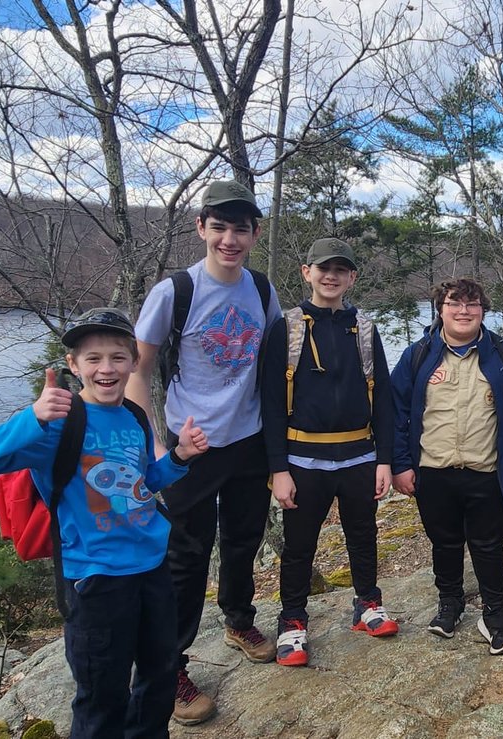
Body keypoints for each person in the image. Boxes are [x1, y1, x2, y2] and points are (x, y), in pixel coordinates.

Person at [0, 308, 209, 739]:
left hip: (152, 568)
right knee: (101, 695)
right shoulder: (56, 425)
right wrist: (31, 416)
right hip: (96, 580)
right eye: (93, 358)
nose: (106, 368)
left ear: (132, 362)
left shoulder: (133, 416)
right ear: (74, 365)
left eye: (117, 357)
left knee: (161, 674)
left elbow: (141, 485)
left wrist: (180, 457)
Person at [129, 180, 281, 724]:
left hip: (248, 443)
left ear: (254, 233)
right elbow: (137, 370)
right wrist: (150, 443)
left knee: (242, 541)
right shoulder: (176, 291)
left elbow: (271, 370)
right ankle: (169, 666)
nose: (230, 239)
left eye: (240, 228)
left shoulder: (262, 291)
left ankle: (239, 621)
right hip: (191, 450)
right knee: (186, 558)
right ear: (201, 228)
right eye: (219, 227)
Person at [261, 237, 396, 666]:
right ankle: (293, 622)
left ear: (351, 277)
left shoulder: (366, 330)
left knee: (363, 534)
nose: (331, 276)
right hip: (303, 458)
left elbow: (386, 401)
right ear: (307, 272)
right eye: (323, 268)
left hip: (359, 454)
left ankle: (367, 604)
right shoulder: (286, 328)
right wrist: (277, 469)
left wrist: (386, 460)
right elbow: (268, 403)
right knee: (300, 544)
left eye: (340, 269)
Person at [391, 277, 503, 655]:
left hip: (487, 471)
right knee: (444, 542)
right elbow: (396, 413)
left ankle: (496, 618)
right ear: (440, 310)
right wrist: (400, 465)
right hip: (434, 471)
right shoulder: (418, 355)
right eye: (455, 304)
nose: (464, 311)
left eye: (472, 304)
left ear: (483, 311)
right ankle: (449, 605)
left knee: (489, 546)